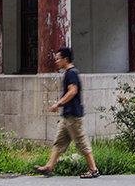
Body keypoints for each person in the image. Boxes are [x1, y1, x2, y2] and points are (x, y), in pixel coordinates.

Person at [34, 47, 99, 179]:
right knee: (59, 142)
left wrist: (58, 103)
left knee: (81, 142)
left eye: (58, 59)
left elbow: (73, 91)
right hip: (67, 115)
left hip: (73, 115)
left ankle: (94, 169)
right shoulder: (69, 73)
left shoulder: (71, 73)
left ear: (65, 59)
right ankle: (49, 167)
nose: (56, 61)